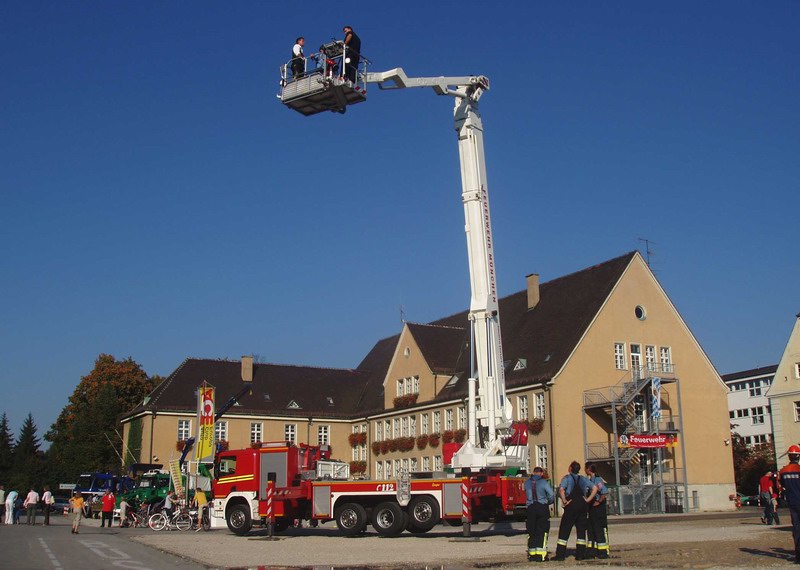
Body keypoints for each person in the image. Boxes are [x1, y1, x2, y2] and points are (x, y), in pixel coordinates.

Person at [553, 460, 598, 561]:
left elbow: (561, 490)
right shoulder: (583, 479)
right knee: (581, 530)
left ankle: (560, 555)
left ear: (570, 468)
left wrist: (564, 501)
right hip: (582, 505)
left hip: (571, 505)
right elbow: (595, 488)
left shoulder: (567, 478)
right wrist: (588, 500)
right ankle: (580, 554)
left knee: (564, 529)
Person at [525, 466, 555, 562]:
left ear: (533, 473)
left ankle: (532, 554)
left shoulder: (527, 482)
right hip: (542, 507)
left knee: (531, 530)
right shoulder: (544, 482)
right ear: (541, 473)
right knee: (542, 531)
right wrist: (548, 502)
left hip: (530, 508)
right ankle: (541, 555)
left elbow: (526, 493)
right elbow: (551, 495)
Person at [585, 463, 610, 559]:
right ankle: (592, 551)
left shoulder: (597, 480)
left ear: (588, 469)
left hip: (598, 508)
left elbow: (604, 492)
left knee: (599, 529)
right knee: (591, 529)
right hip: (592, 508)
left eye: (585, 468)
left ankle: (603, 551)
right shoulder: (590, 480)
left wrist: (599, 501)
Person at [780, 445, 800, 563]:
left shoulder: (783, 471)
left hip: (792, 502)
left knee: (796, 528)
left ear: (789, 456)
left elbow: (782, 485)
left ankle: (798, 555)